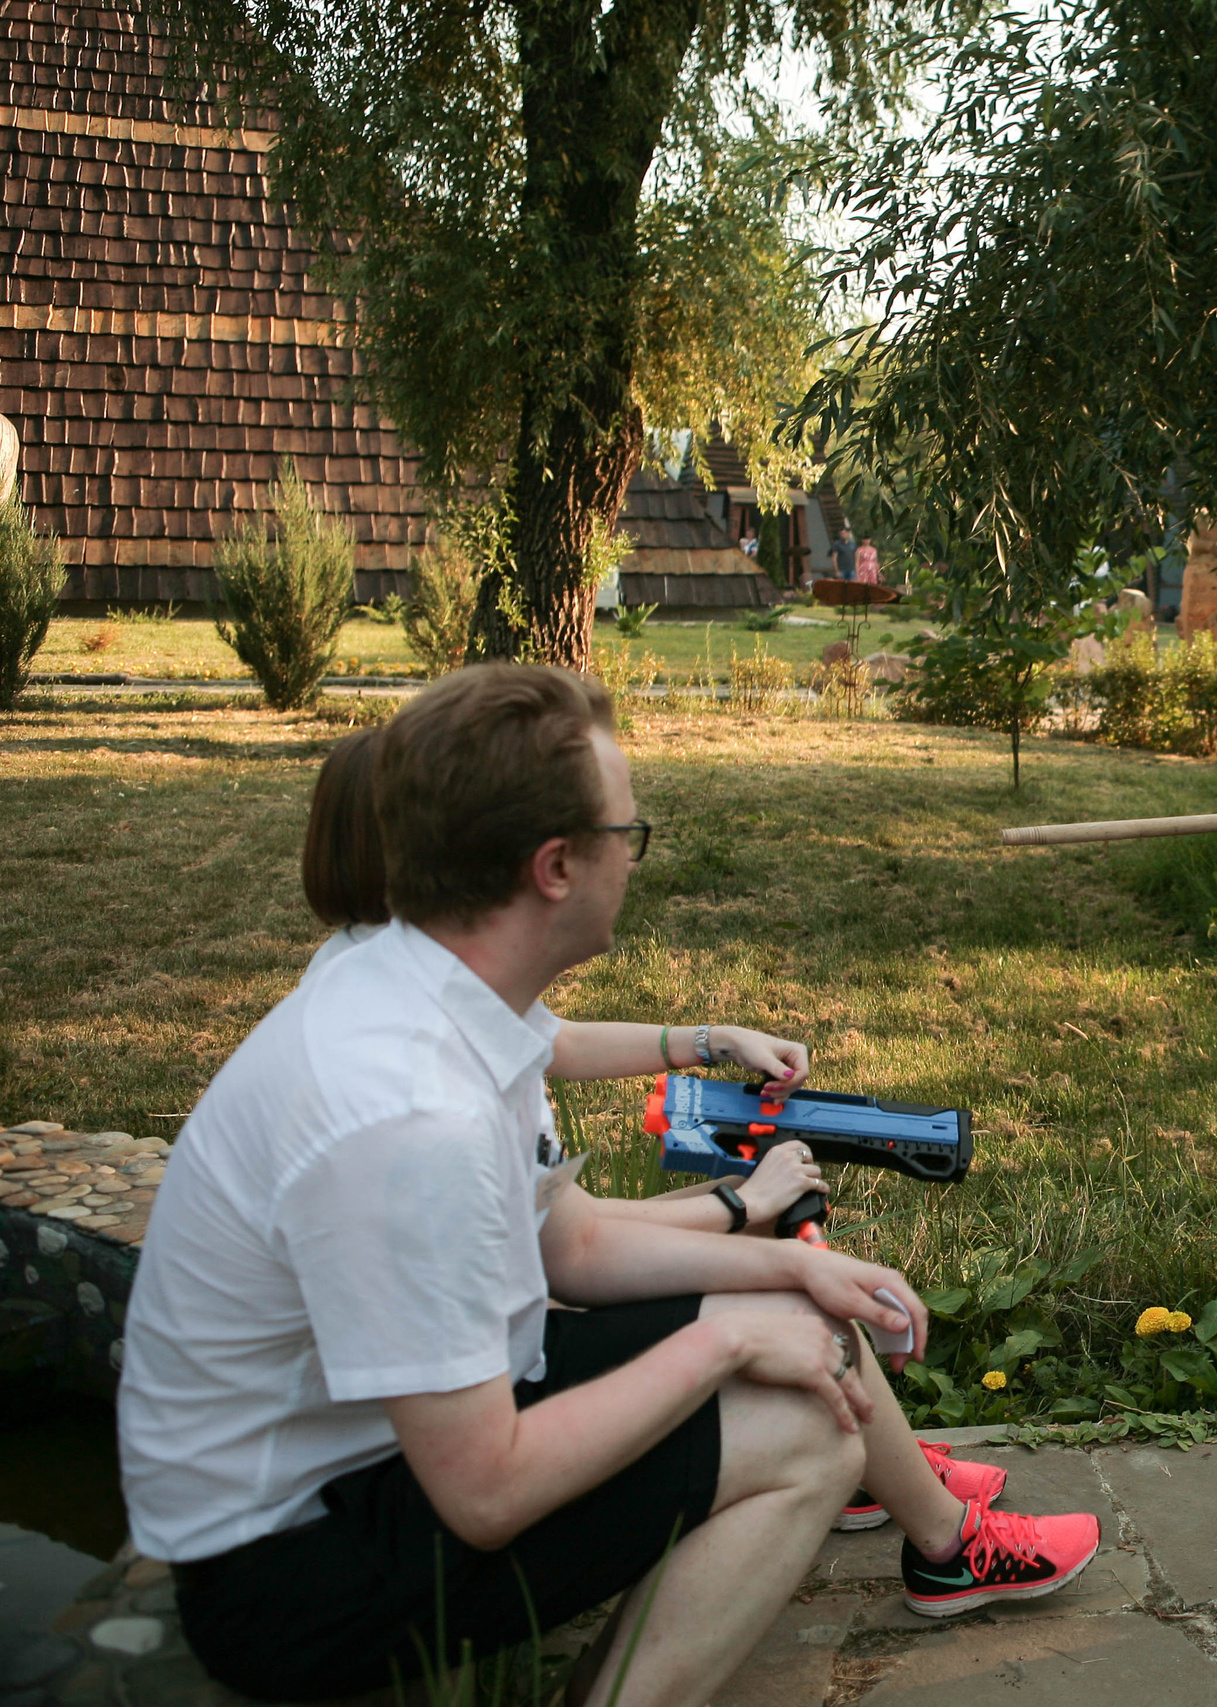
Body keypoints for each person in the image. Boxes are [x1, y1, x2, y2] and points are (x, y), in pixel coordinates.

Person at [119, 667, 1099, 1707]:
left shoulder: (433, 997)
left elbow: (571, 1249)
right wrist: (723, 1341)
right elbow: (488, 1492)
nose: (633, 856)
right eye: (627, 833)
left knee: (788, 1329)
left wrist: (790, 1271)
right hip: (284, 1565)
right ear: (555, 866)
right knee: (810, 1425)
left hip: (363, 1458)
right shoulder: (411, 1115)